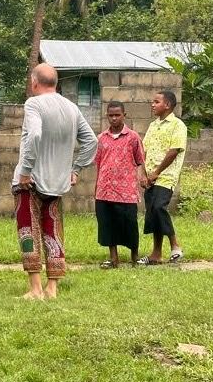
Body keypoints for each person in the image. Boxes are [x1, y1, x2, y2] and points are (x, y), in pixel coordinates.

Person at [13, 64, 97, 300]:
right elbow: (91, 141)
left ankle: (35, 288)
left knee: (27, 229)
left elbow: (35, 134)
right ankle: (52, 288)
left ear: (34, 82)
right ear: (56, 83)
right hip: (58, 181)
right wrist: (75, 169)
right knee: (53, 230)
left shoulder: (34, 104)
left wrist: (26, 170)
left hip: (32, 181)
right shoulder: (71, 107)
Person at [137, 90, 187, 265]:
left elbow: (174, 151)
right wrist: (143, 174)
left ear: (167, 105)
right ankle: (156, 254)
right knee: (152, 213)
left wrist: (157, 172)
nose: (152, 104)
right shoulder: (153, 126)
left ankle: (175, 245)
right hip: (150, 178)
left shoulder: (178, 125)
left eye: (156, 102)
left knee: (159, 208)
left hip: (166, 176)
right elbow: (143, 151)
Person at [94, 101, 145, 268]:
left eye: (117, 115)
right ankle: (113, 258)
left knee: (130, 224)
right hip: (105, 190)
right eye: (111, 115)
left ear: (124, 115)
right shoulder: (101, 138)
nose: (114, 118)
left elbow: (139, 160)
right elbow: (99, 163)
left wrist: (141, 179)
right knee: (108, 224)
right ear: (107, 116)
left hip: (126, 190)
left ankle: (134, 257)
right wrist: (97, 187)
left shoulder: (133, 137)